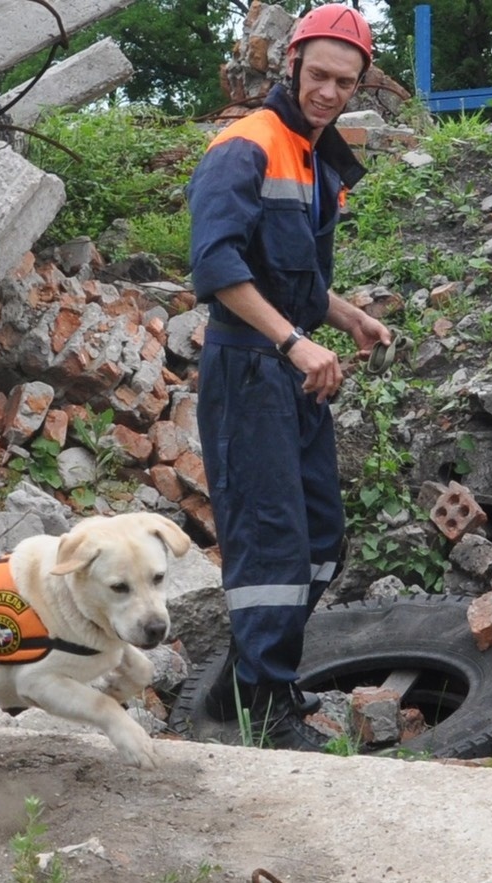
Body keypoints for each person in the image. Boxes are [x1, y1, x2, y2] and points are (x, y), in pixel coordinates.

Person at [186, 3, 392, 751]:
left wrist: (346, 320)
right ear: (292, 67)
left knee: (320, 540)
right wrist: (295, 345)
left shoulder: (312, 154)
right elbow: (217, 267)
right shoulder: (246, 147)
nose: (329, 92)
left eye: (344, 81)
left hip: (292, 366)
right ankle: (263, 712)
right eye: (319, 76)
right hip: (248, 368)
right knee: (271, 543)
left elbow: (288, 275)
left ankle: (254, 681)